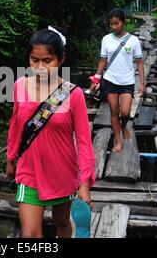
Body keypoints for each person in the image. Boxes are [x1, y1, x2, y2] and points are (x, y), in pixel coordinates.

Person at [6, 26, 96, 238]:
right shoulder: (20, 86)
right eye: (34, 60)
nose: (40, 67)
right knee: (29, 235)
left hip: (62, 172)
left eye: (48, 61)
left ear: (61, 58)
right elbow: (15, 125)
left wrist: (84, 184)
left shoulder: (73, 95)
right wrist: (11, 158)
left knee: (62, 222)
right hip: (29, 171)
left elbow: (83, 142)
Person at [89, 8, 144, 152]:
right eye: (111, 24)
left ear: (124, 22)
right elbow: (102, 61)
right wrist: (96, 80)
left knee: (125, 113)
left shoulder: (133, 41)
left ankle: (124, 125)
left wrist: (142, 84)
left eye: (116, 23)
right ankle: (118, 140)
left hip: (127, 81)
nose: (114, 27)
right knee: (114, 110)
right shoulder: (106, 39)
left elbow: (139, 62)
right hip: (110, 80)